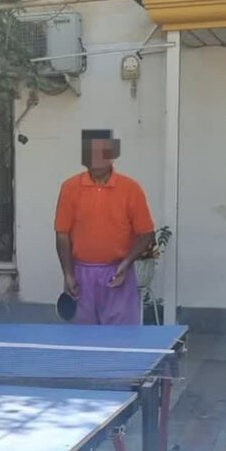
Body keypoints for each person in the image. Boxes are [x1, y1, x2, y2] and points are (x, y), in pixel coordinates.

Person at [54, 129, 154, 325]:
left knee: (121, 337)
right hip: (81, 276)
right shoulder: (69, 187)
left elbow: (146, 233)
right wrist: (68, 273)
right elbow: (62, 234)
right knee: (83, 338)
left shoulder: (131, 188)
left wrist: (126, 264)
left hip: (118, 275)